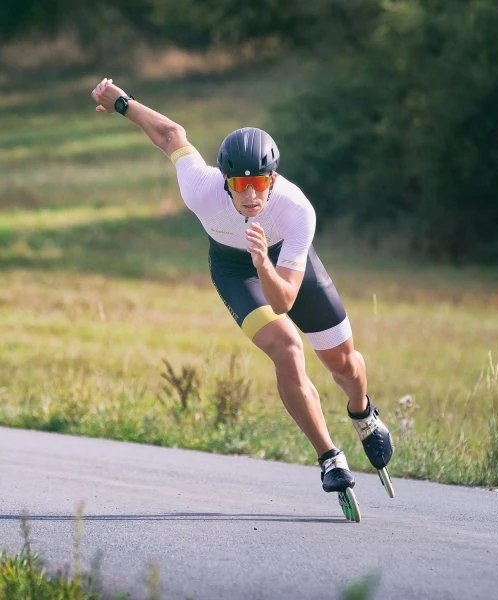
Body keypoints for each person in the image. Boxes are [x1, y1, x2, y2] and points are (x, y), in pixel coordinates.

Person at [91, 77, 394, 496]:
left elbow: (284, 299)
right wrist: (122, 102)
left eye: (259, 184)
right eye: (239, 185)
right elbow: (171, 135)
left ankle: (362, 413)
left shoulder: (296, 210)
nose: (250, 196)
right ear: (224, 180)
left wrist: (264, 263)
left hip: (286, 267)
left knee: (344, 366)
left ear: (273, 179)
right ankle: (329, 457)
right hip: (235, 272)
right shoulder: (201, 188)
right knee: (288, 350)